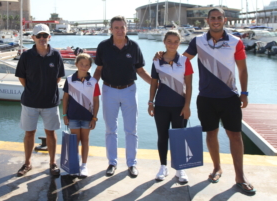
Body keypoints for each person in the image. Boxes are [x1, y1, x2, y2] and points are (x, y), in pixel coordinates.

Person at [156, 7, 255, 194]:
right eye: (212, 18)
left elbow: (242, 69)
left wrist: (244, 93)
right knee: (211, 135)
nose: (216, 21)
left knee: (235, 135)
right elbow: (182, 60)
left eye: (219, 18)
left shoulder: (235, 42)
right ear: (207, 20)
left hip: (230, 97)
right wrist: (163, 56)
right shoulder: (198, 41)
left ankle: (240, 177)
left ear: (224, 20)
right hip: (206, 98)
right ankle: (217, 168)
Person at [93, 15, 152, 178]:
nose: (119, 30)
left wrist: (156, 84)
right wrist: (90, 87)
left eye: (122, 27)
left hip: (129, 90)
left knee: (131, 129)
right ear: (111, 29)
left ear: (127, 28)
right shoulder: (103, 46)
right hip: (108, 90)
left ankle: (132, 164)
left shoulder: (134, 46)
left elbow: (141, 71)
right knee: (110, 129)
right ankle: (112, 162)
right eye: (116, 27)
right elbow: (98, 69)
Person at [15, 23, 64, 177]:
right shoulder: (26, 56)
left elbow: (58, 77)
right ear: (33, 38)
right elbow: (22, 78)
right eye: (39, 36)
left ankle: (52, 163)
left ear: (49, 37)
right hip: (30, 102)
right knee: (29, 133)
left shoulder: (56, 55)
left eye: (45, 35)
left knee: (51, 133)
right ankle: (27, 163)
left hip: (50, 102)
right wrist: (33, 90)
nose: (42, 38)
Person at [148, 31, 193, 183]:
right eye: (169, 41)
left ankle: (180, 168)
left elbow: (189, 85)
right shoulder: (156, 61)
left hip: (179, 106)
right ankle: (163, 166)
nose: (172, 44)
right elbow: (154, 83)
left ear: (179, 43)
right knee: (162, 136)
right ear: (164, 42)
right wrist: (150, 102)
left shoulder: (185, 61)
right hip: (161, 105)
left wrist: (187, 106)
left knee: (179, 137)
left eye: (175, 41)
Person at [62, 53, 100, 177]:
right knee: (74, 141)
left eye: (87, 65)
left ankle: (84, 165)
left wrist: (94, 117)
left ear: (90, 66)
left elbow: (96, 101)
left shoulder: (94, 82)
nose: (84, 66)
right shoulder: (69, 80)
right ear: (76, 64)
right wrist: (64, 115)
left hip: (87, 117)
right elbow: (65, 98)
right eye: (81, 64)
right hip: (72, 116)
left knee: (85, 140)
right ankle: (74, 165)